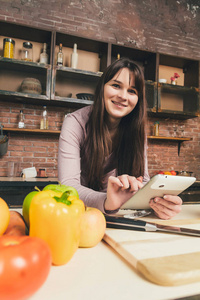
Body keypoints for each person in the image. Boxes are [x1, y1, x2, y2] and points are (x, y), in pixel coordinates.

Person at [58, 58, 182, 220]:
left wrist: (159, 203)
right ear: (102, 88)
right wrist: (107, 201)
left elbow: (143, 180)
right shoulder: (75, 122)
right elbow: (69, 187)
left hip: (120, 214)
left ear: (138, 100)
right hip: (79, 213)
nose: (123, 96)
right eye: (116, 86)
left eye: (132, 91)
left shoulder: (137, 130)